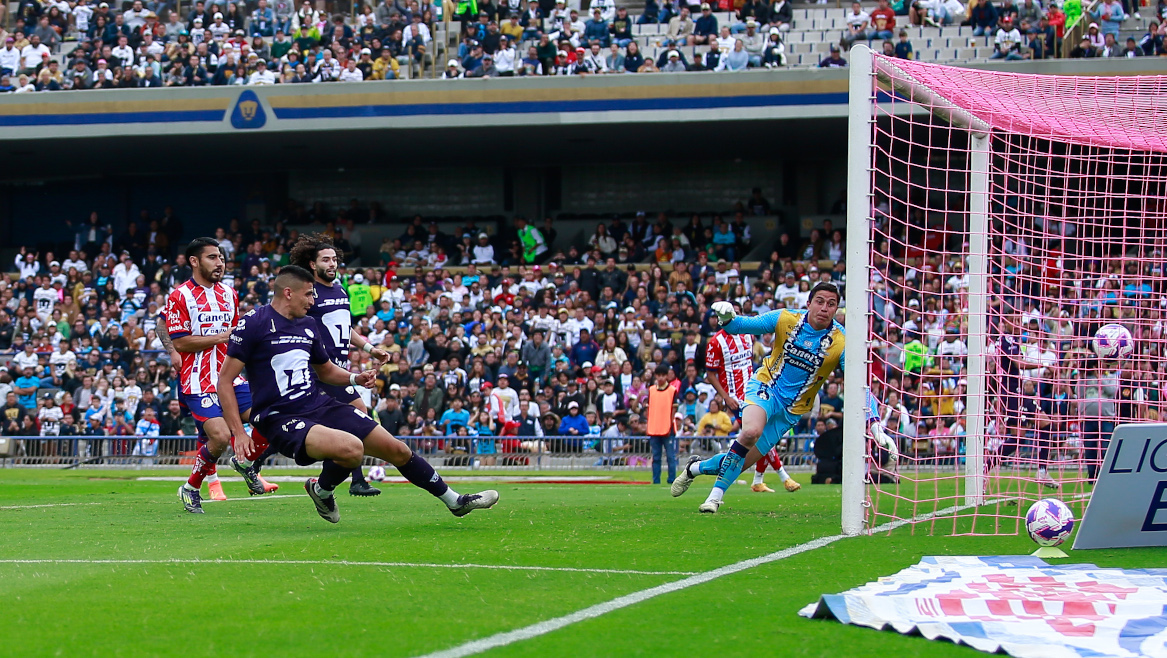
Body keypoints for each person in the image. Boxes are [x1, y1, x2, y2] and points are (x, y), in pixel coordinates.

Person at [220, 266, 499, 524]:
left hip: (318, 404)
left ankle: (455, 502)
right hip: (280, 417)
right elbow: (225, 381)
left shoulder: (307, 325)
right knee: (352, 450)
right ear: (288, 292)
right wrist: (239, 433)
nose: (312, 301)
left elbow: (326, 370)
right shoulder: (254, 323)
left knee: (397, 450)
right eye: (308, 294)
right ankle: (322, 489)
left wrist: (356, 377)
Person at [671, 283, 888, 513]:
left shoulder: (841, 342)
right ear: (809, 304)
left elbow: (859, 386)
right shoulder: (785, 318)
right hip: (766, 387)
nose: (825, 308)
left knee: (739, 462)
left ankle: (694, 468)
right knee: (750, 432)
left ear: (836, 310)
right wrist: (727, 318)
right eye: (820, 301)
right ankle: (714, 498)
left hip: (792, 410)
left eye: (831, 304)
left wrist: (873, 422)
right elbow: (742, 326)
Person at [248, 233, 388, 496]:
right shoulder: (307, 292)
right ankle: (355, 481)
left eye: (335, 259)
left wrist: (370, 348)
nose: (332, 264)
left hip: (338, 366)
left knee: (312, 422)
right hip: (317, 370)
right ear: (313, 264)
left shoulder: (341, 290)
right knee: (358, 411)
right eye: (326, 259)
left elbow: (344, 328)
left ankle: (253, 460)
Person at [168, 237, 266, 514]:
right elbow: (181, 342)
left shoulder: (229, 294)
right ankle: (191, 487)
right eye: (212, 257)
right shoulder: (180, 295)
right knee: (220, 437)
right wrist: (222, 335)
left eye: (221, 257)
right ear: (194, 261)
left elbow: (236, 337)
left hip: (230, 377)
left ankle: (247, 463)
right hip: (198, 380)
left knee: (270, 418)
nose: (220, 263)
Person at [704, 303, 799, 493]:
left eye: (738, 314)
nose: (736, 318)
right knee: (759, 435)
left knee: (764, 436)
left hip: (756, 391)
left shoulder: (748, 335)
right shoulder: (716, 342)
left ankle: (758, 480)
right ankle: (783, 476)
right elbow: (711, 374)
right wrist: (725, 397)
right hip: (735, 396)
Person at [645, 364, 679, 484]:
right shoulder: (651, 390)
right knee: (656, 457)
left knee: (670, 457)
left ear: (666, 376)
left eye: (663, 375)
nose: (660, 378)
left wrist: (669, 425)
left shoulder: (672, 391)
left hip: (667, 429)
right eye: (658, 375)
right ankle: (656, 481)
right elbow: (649, 409)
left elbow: (673, 411)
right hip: (654, 428)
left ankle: (671, 480)